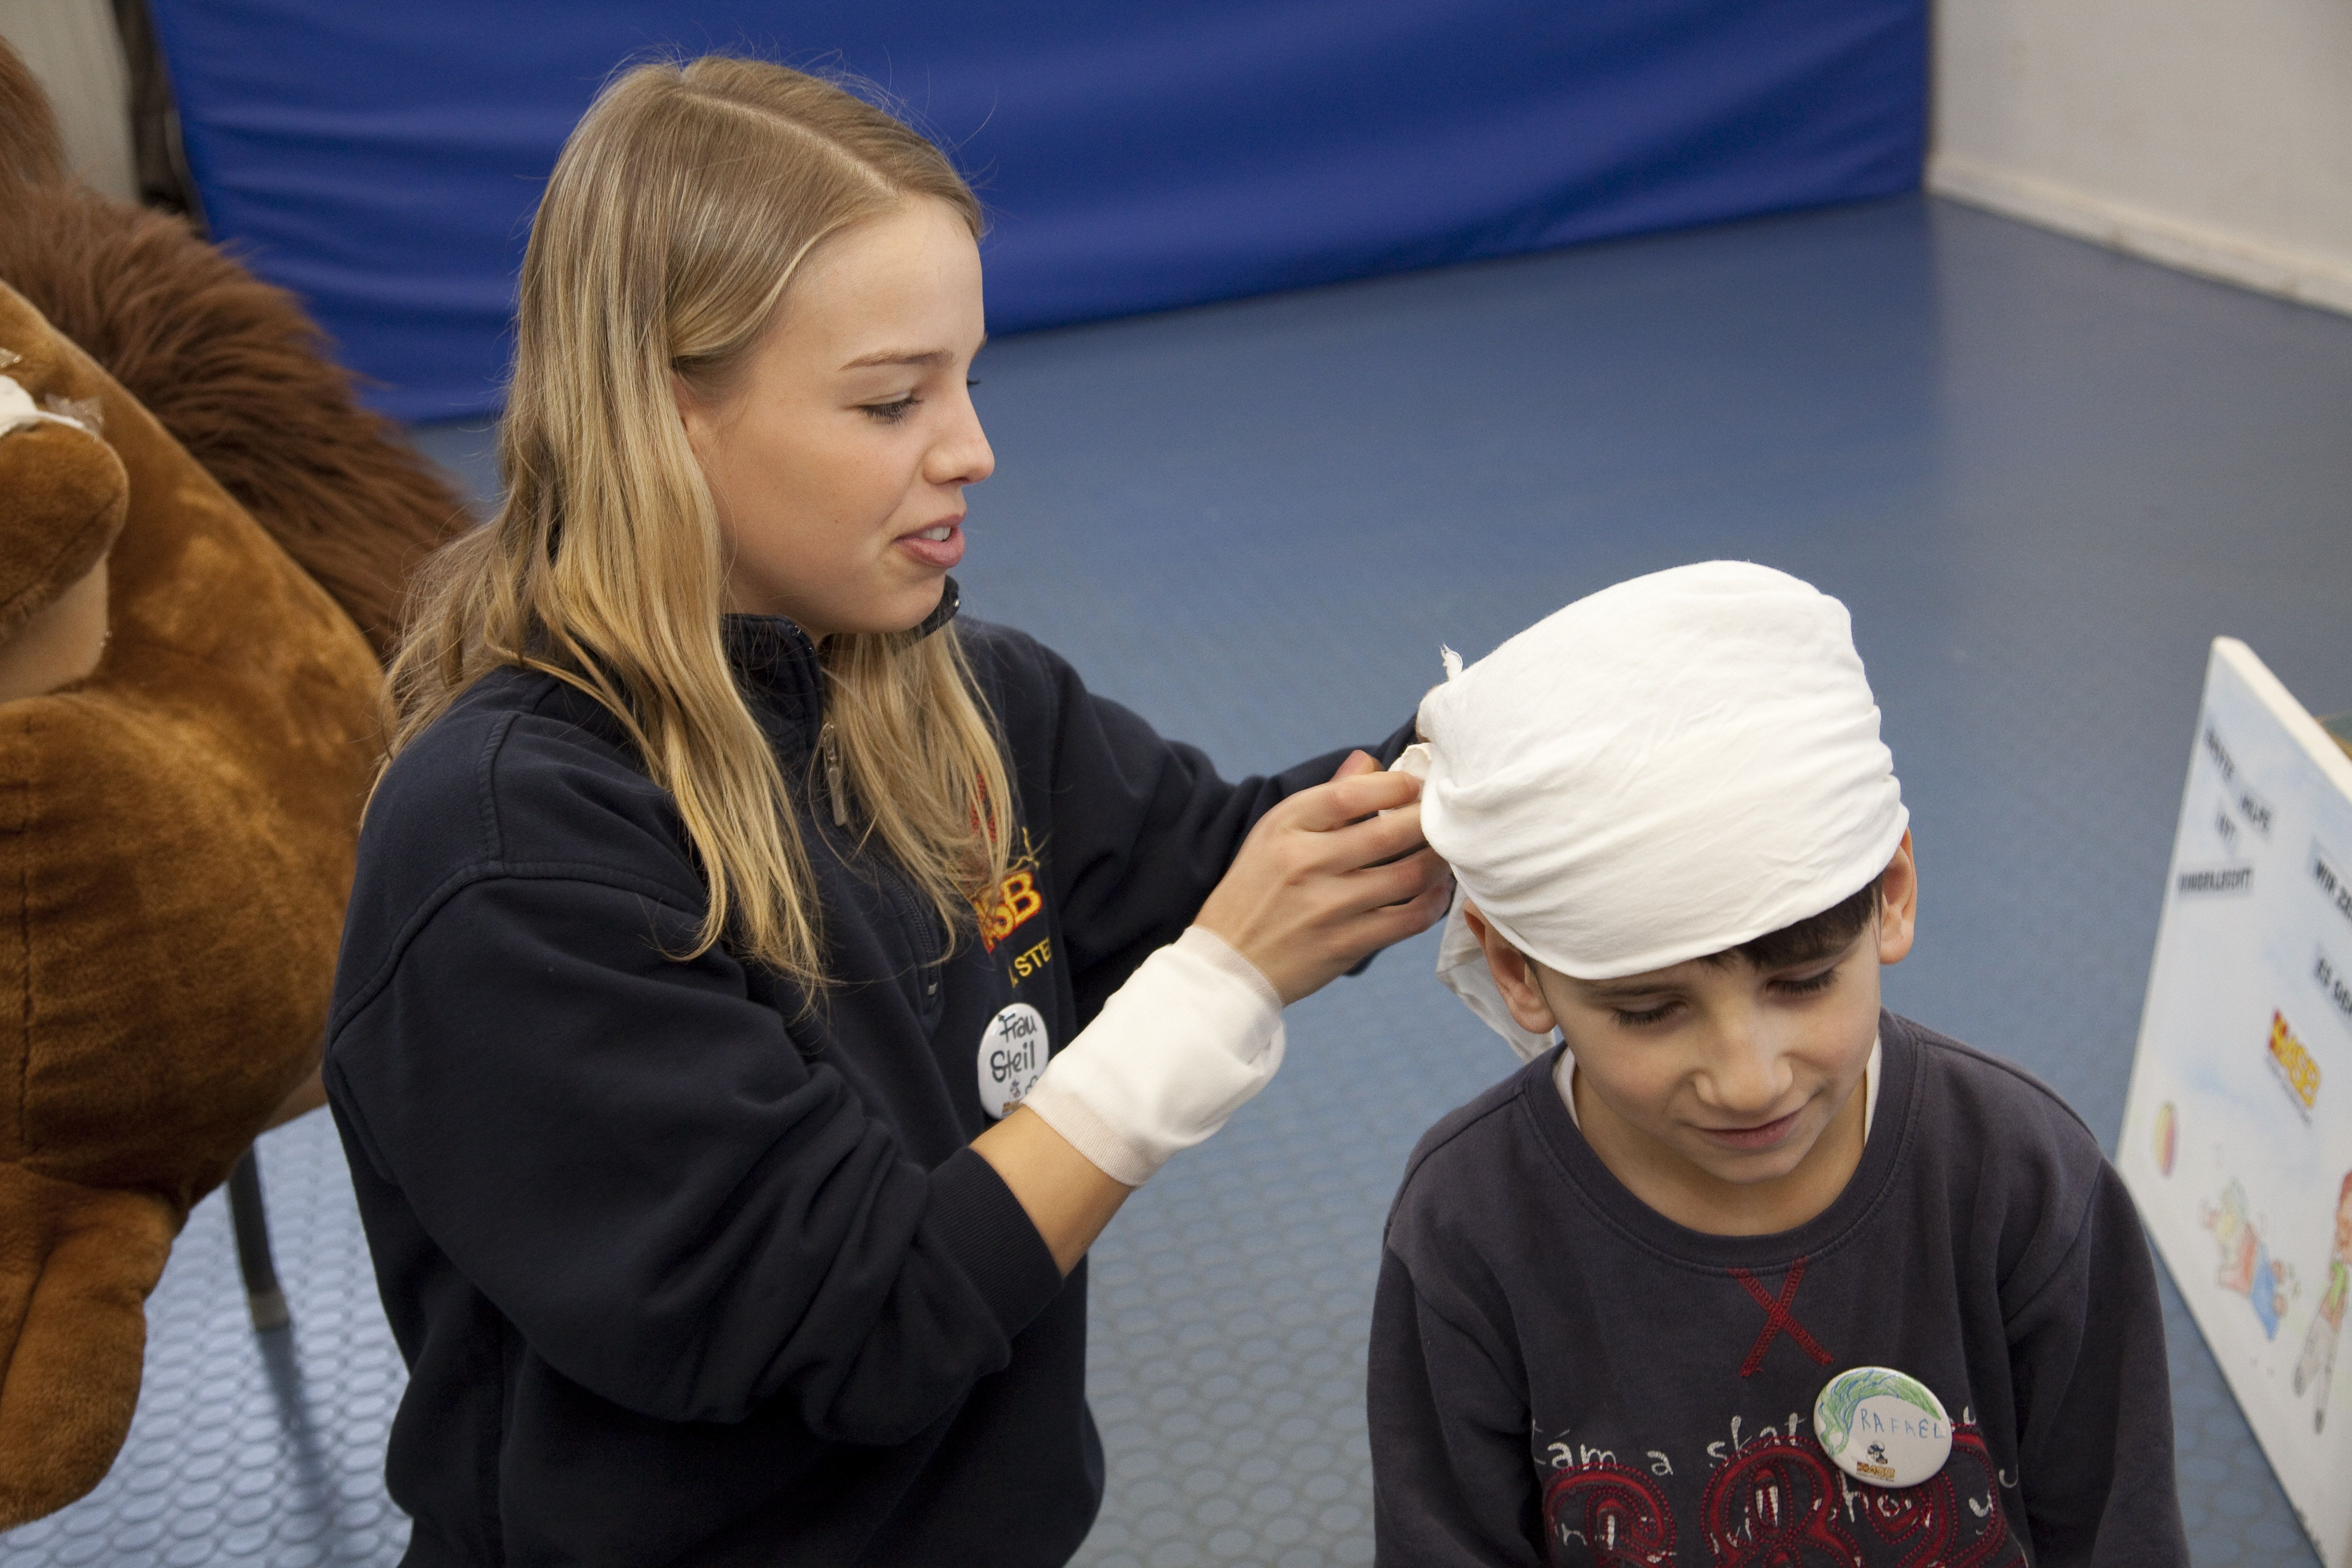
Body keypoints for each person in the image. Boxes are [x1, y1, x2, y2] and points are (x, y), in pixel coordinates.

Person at [323, 57, 1449, 1568]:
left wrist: (1510, 754)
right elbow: (861, 1321)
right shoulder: (511, 852)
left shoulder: (960, 694)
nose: (969, 446)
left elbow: (1227, 860)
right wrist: (1218, 994)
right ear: (665, 417)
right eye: (889, 398)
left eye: (966, 378)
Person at [1366, 562, 2187, 1567]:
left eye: (1802, 983)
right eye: (1650, 1011)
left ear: (1891, 893)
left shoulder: (2019, 1176)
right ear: (1515, 970)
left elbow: (2116, 1530)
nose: (1748, 1080)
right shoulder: (1471, 1227)